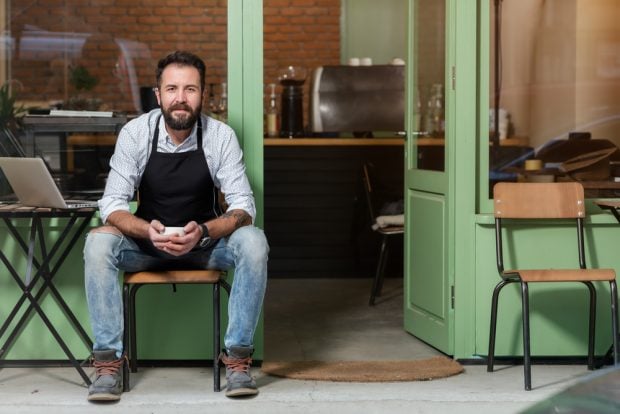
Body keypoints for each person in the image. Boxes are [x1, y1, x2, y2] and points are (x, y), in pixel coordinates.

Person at [83, 50, 268, 401]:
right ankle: (108, 364)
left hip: (205, 247)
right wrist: (144, 230)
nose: (180, 99)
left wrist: (205, 232)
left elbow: (244, 206)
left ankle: (238, 361)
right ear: (158, 95)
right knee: (98, 242)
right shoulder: (136, 133)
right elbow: (111, 204)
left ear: (204, 94)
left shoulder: (220, 136)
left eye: (190, 89)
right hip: (145, 248)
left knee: (254, 242)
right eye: (171, 89)